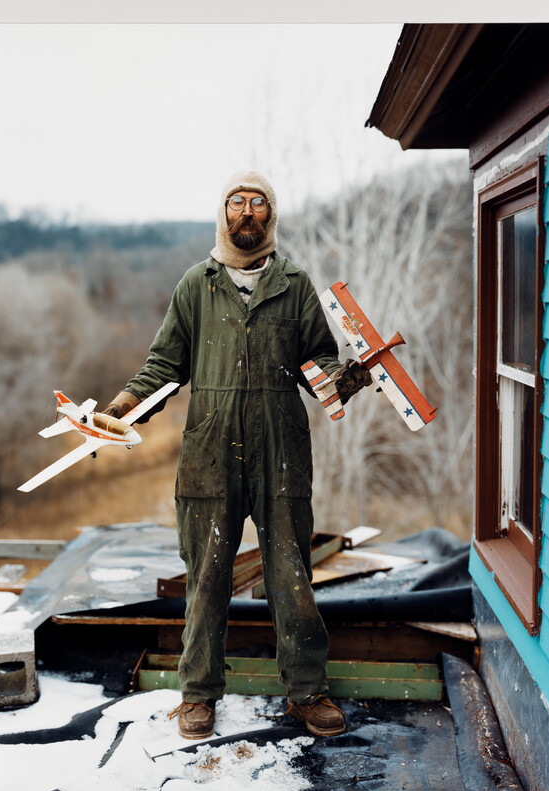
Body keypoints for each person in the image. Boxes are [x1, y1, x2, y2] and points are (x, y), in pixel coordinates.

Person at [103, 171, 370, 739]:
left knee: (291, 574)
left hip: (281, 451)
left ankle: (307, 691)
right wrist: (124, 406)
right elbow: (163, 366)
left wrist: (344, 379)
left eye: (258, 203)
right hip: (210, 453)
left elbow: (318, 364)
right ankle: (198, 694)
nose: (247, 212)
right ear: (223, 213)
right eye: (237, 202)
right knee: (206, 577)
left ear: (271, 215)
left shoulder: (294, 284)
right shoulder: (195, 285)